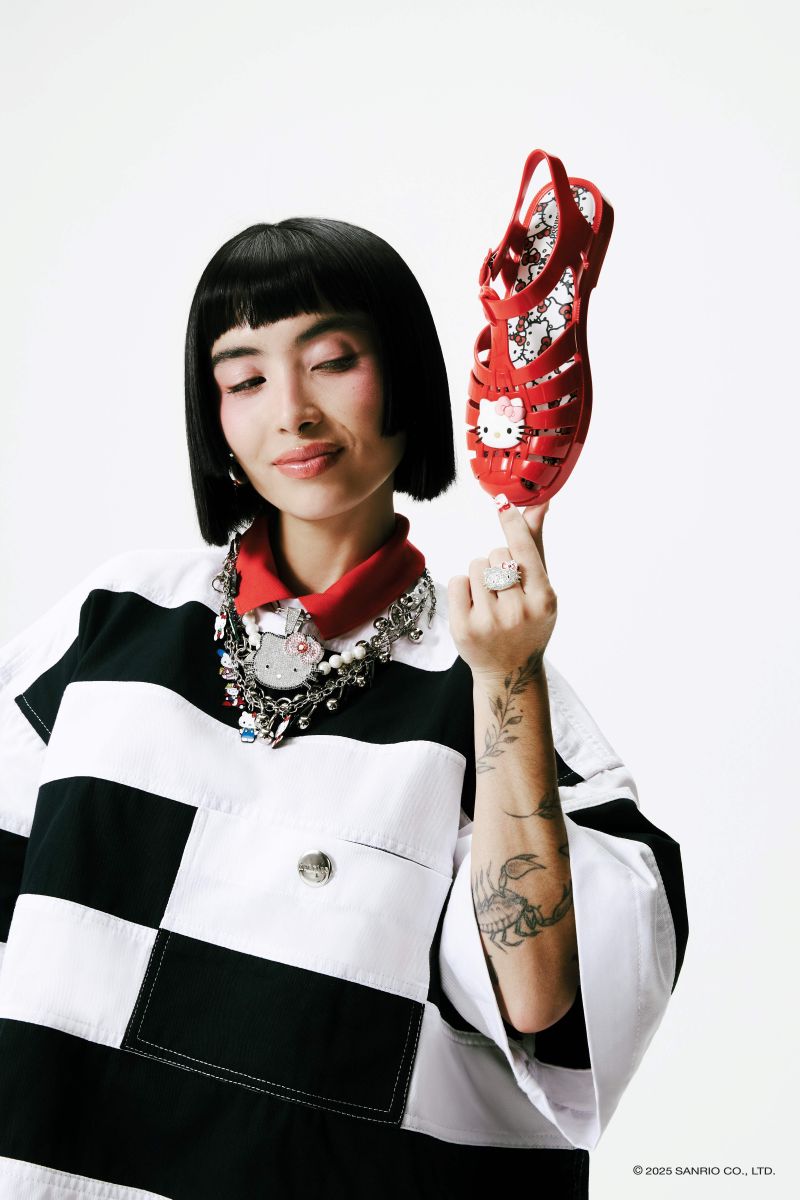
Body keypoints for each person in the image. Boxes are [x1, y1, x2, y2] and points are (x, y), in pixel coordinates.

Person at [0, 217, 688, 1199]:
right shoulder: (112, 624)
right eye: (244, 379)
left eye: (330, 362)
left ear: (407, 378)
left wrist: (506, 679)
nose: (291, 411)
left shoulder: (484, 680)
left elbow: (538, 1007)